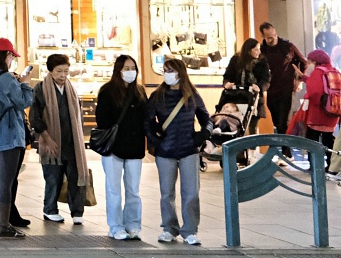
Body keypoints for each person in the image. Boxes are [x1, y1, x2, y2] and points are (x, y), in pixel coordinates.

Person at [146, 57, 210, 246]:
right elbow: (147, 121)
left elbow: (206, 119)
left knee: (191, 193)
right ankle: (169, 228)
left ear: (181, 73)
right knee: (167, 193)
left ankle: (190, 230)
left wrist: (202, 136)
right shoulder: (157, 96)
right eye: (165, 70)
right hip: (165, 151)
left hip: (189, 150)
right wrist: (155, 139)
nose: (167, 74)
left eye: (171, 70)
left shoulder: (192, 95)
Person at [0, 38, 34, 239]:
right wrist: (25, 84)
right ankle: (3, 225)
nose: (12, 59)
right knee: (6, 182)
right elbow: (23, 102)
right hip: (10, 134)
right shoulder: (7, 79)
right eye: (11, 56)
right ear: (6, 55)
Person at [30, 53, 89, 225]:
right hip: (52, 141)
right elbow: (35, 117)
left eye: (66, 71)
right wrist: (48, 139)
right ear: (50, 71)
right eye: (59, 71)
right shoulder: (41, 89)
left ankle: (77, 211)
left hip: (71, 142)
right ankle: (50, 210)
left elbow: (77, 116)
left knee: (75, 177)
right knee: (53, 178)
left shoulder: (71, 89)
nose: (63, 75)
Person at [95, 54, 147, 241]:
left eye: (133, 68)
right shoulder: (107, 91)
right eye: (126, 68)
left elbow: (145, 118)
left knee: (133, 190)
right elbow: (102, 119)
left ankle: (133, 225)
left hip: (135, 147)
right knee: (114, 189)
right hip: (113, 148)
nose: (130, 72)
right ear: (118, 70)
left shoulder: (140, 91)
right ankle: (115, 226)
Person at [260, 22, 307, 146]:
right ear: (263, 37)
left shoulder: (288, 46)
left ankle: (286, 151)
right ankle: (283, 149)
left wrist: (299, 80)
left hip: (286, 88)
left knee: (284, 121)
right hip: (271, 90)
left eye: (274, 35)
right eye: (269, 38)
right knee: (276, 122)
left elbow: (304, 62)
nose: (273, 39)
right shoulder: (261, 50)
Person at [300, 50, 340, 166]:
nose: (309, 64)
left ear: (315, 61)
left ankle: (314, 164)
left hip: (318, 113)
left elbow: (315, 92)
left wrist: (307, 98)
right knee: (328, 139)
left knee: (312, 139)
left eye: (310, 61)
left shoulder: (318, 72)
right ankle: (331, 164)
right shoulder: (334, 71)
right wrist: (304, 78)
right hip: (333, 112)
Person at [221, 38, 270, 122]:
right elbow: (228, 76)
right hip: (236, 96)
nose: (259, 52)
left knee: (252, 124)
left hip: (254, 98)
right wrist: (227, 83)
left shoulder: (262, 61)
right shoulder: (236, 60)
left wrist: (259, 87)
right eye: (256, 50)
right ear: (249, 50)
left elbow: (266, 79)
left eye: (259, 49)